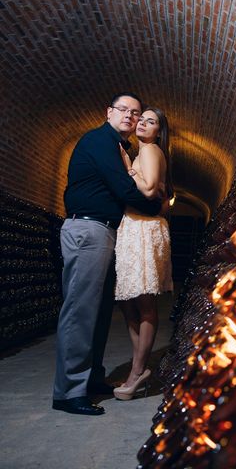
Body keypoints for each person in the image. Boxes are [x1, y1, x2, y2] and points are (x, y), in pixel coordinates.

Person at [53, 92, 162, 416]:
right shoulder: (100, 141)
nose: (130, 116)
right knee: (80, 311)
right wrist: (154, 205)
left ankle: (91, 378)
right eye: (124, 110)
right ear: (109, 112)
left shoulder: (119, 147)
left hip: (104, 231)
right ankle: (69, 392)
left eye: (136, 112)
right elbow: (122, 188)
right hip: (89, 230)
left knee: (99, 312)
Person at [112, 106, 173, 400]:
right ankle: (140, 366)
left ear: (158, 131)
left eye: (151, 121)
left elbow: (148, 190)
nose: (143, 124)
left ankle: (137, 371)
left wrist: (127, 170)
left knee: (144, 303)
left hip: (144, 230)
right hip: (135, 227)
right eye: (142, 119)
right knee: (129, 302)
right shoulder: (141, 152)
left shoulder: (149, 150)